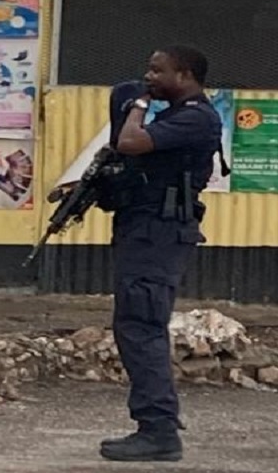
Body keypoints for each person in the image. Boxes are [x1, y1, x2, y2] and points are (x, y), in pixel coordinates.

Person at [97, 45, 222, 462]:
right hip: (146, 230)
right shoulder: (174, 115)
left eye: (158, 71)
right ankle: (155, 426)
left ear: (184, 75)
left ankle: (159, 430)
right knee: (135, 324)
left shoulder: (197, 118)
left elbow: (130, 141)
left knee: (142, 325)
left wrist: (138, 104)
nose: (148, 77)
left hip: (160, 234)